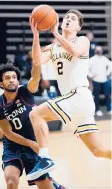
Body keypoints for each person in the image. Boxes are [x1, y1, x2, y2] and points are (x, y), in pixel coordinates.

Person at [26, 9, 112, 181]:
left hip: (79, 95)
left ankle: (44, 158)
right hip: (73, 101)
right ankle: (45, 159)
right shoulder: (53, 47)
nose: (68, 20)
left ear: (78, 27)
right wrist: (36, 35)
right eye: (66, 17)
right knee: (98, 151)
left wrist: (56, 33)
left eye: (73, 19)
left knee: (35, 114)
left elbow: (75, 51)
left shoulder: (82, 40)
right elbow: (37, 60)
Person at [0, 63, 65, 189]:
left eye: (14, 77)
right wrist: (30, 143)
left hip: (34, 143)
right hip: (13, 147)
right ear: (1, 84)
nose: (12, 80)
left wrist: (37, 63)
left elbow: (35, 78)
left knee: (46, 187)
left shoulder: (25, 91)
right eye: (7, 78)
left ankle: (55, 185)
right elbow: (8, 133)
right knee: (11, 182)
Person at [88, 46, 112, 116]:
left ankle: (109, 109)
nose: (99, 51)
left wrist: (107, 73)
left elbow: (110, 65)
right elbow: (87, 69)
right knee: (96, 96)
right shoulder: (92, 59)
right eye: (97, 50)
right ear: (95, 51)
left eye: (100, 50)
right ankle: (97, 110)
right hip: (96, 80)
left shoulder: (104, 59)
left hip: (104, 80)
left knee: (107, 95)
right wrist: (91, 75)